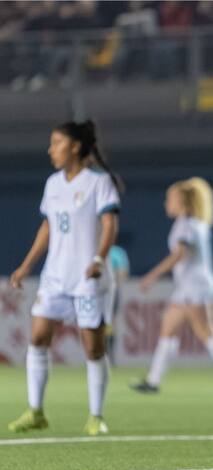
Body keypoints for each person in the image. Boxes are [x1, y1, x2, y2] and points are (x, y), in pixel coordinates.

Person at [8, 120, 122, 436]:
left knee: (93, 349)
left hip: (89, 277)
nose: (50, 149)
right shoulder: (53, 184)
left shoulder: (99, 183)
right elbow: (48, 227)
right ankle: (36, 411)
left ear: (74, 146)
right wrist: (27, 264)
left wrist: (99, 259)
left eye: (56, 142)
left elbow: (110, 225)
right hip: (55, 276)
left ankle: (96, 416)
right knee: (38, 338)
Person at [130, 177, 213, 394]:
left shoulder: (186, 226)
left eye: (170, 199)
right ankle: (153, 381)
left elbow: (180, 254)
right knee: (168, 329)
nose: (167, 203)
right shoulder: (195, 224)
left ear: (183, 202)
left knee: (206, 330)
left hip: (195, 286)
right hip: (189, 286)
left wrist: (151, 276)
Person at [104, 241, 130, 365]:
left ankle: (109, 356)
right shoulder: (92, 247)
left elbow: (123, 273)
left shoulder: (117, 252)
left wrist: (112, 284)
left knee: (110, 322)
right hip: (93, 292)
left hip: (110, 292)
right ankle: (96, 355)